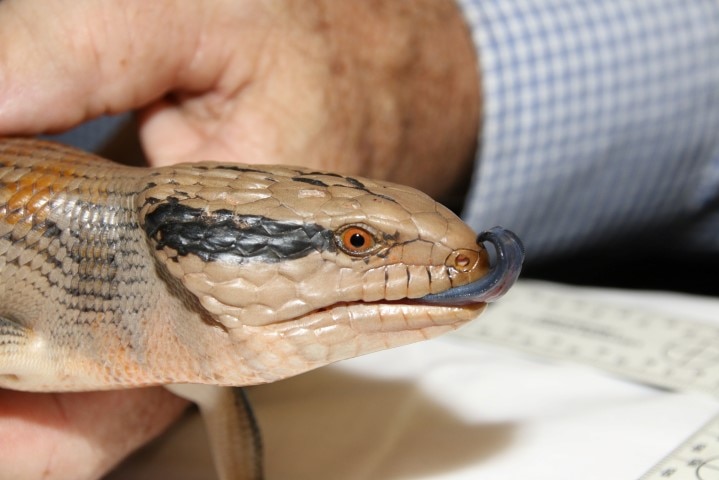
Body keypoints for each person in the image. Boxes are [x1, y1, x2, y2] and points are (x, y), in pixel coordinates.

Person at [0, 0, 716, 478]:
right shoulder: (49, 327)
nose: (453, 263)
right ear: (191, 258)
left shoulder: (199, 358)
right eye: (352, 244)